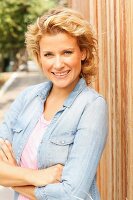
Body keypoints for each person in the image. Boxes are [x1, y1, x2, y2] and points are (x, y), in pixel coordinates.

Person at [0, 7, 108, 200]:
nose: (58, 64)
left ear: (82, 53)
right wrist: (36, 176)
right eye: (49, 54)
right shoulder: (27, 97)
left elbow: (71, 194)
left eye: (67, 52)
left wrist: (11, 176)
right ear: (39, 57)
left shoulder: (92, 106)